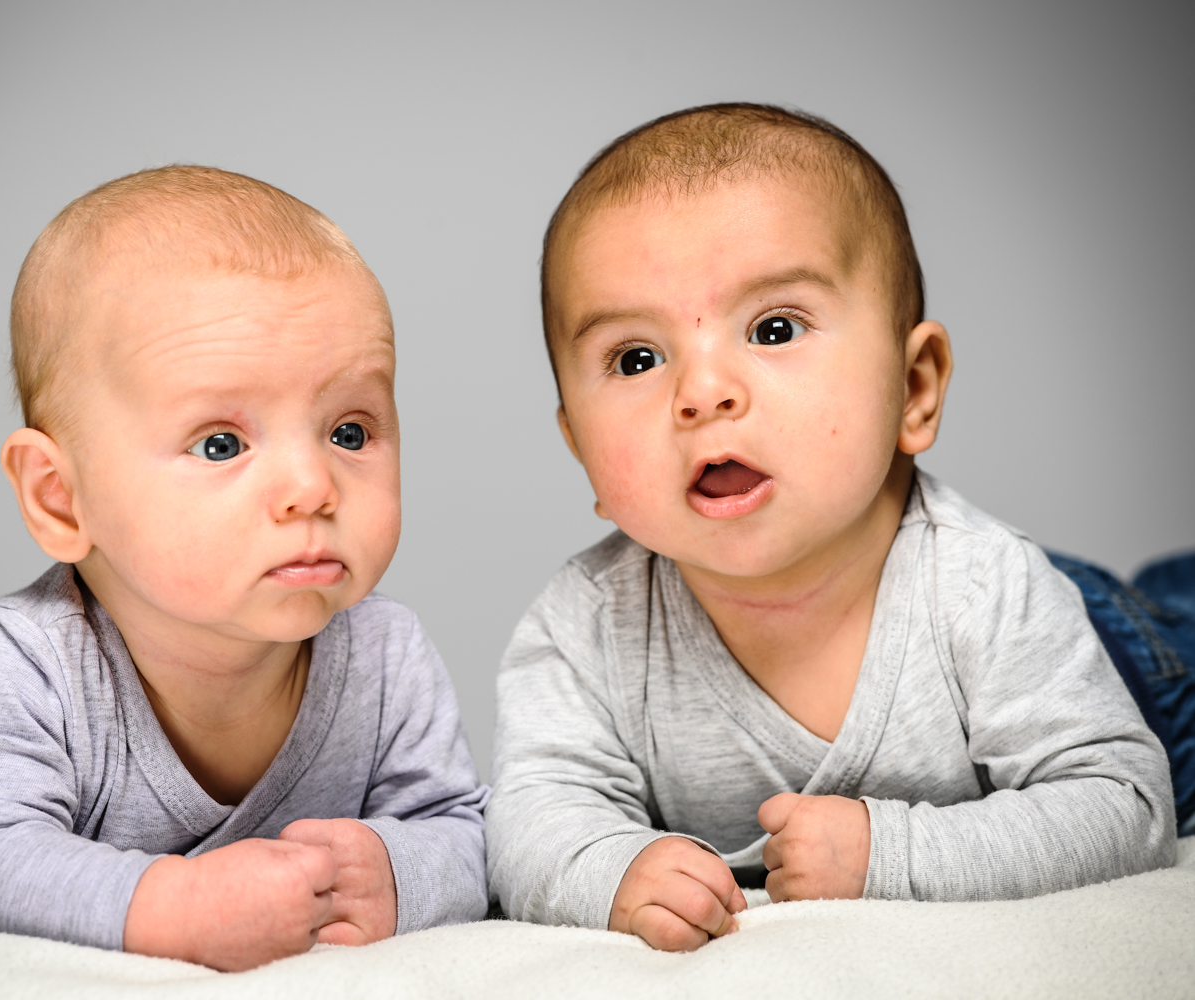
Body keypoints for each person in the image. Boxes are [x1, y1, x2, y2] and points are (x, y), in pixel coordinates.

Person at [0, 165, 488, 971]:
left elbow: (461, 827)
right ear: (61, 498)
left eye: (350, 432)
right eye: (221, 444)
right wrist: (176, 905)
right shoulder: (16, 665)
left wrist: (398, 871)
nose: (313, 487)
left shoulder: (385, 657)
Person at [485, 103, 1176, 953]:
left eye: (774, 329)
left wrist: (889, 854)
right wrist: (611, 867)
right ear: (582, 451)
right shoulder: (586, 624)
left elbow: (1125, 804)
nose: (702, 393)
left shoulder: (984, 586)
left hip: (1127, 653)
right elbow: (531, 815)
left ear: (913, 389)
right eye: (637, 358)